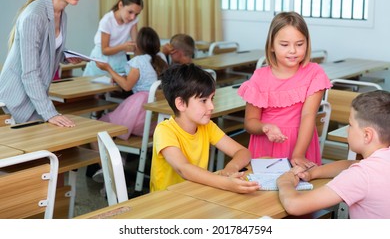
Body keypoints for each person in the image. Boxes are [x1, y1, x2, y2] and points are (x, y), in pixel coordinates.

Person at [237, 11, 332, 168]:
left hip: (300, 144)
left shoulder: (314, 73)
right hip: (265, 145)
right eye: (284, 45)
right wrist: (264, 127)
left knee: (300, 189)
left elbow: (308, 115)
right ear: (272, 46)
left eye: (299, 44)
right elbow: (250, 122)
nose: (293, 50)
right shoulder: (259, 77)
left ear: (307, 43)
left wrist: (299, 154)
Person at [277, 90, 390, 219]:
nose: (348, 129)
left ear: (367, 135)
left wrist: (285, 182)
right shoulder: (379, 162)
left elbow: (295, 205)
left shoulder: (361, 175)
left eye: (350, 125)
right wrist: (313, 173)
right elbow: (350, 164)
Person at [0, 0, 86, 127]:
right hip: (13, 103)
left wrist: (64, 56)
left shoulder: (62, 15)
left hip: (34, 100)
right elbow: (29, 72)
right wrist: (50, 113)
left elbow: (46, 48)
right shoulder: (34, 15)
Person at [150, 63, 260, 193]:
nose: (211, 106)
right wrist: (225, 183)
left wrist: (232, 167)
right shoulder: (165, 130)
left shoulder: (206, 126)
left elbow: (243, 152)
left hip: (197, 192)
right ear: (180, 104)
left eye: (211, 98)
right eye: (203, 100)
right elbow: (183, 169)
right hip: (167, 201)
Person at [90, 26, 168, 182]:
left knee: (96, 129)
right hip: (153, 120)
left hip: (139, 114)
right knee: (117, 128)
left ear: (137, 45)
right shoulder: (161, 59)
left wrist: (108, 69)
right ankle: (120, 162)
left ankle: (108, 172)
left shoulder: (138, 61)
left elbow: (127, 86)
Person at [83, 0, 144, 76]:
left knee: (118, 87)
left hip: (119, 60)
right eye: (130, 12)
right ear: (120, 5)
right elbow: (105, 50)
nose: (132, 17)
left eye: (136, 14)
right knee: (98, 86)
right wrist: (123, 46)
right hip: (102, 60)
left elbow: (136, 44)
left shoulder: (133, 21)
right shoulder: (107, 21)